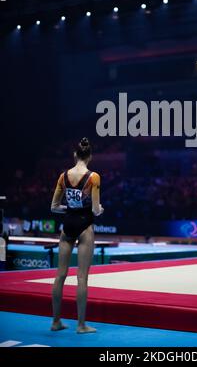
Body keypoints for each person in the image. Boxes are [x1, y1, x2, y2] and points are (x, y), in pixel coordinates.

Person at [50, 137, 104, 334]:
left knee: (60, 275)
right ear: (90, 157)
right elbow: (96, 210)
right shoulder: (93, 177)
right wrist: (99, 209)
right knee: (82, 277)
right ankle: (81, 325)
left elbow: (54, 207)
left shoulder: (63, 176)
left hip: (67, 225)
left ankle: (56, 322)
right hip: (84, 225)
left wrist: (70, 208)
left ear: (75, 155)